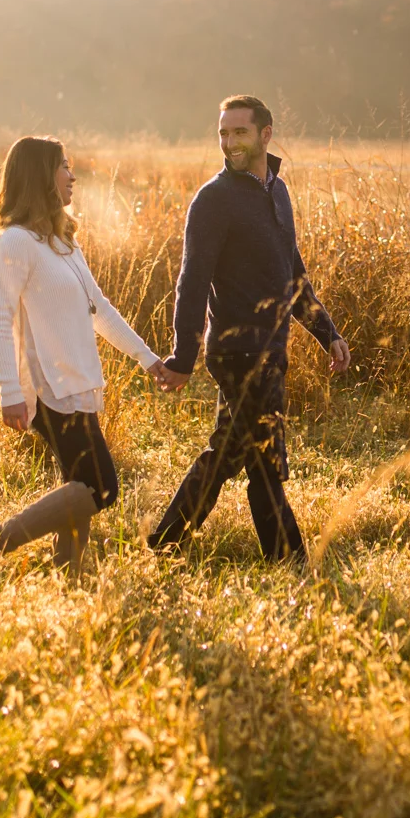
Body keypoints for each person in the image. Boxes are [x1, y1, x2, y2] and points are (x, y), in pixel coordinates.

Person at [147, 95, 350, 562]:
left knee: (233, 454)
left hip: (272, 349)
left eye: (239, 132)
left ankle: (167, 543)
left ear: (265, 134)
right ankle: (290, 560)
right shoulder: (214, 200)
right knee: (263, 460)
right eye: (222, 133)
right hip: (238, 353)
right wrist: (182, 358)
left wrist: (327, 332)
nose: (229, 142)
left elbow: (291, 271)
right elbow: (191, 282)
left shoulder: (276, 191)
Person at [0, 135, 163, 574]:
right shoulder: (14, 244)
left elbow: (100, 311)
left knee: (79, 484)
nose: (72, 175)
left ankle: (69, 574)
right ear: (40, 176)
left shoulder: (62, 243)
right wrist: (8, 390)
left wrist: (149, 359)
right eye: (63, 167)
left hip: (79, 380)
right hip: (48, 387)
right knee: (102, 487)